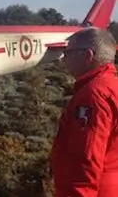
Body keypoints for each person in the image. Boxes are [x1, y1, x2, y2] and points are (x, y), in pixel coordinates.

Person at [50, 27, 118, 196]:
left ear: (88, 55)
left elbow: (86, 159)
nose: (63, 60)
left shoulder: (93, 95)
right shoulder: (112, 86)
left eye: (68, 53)